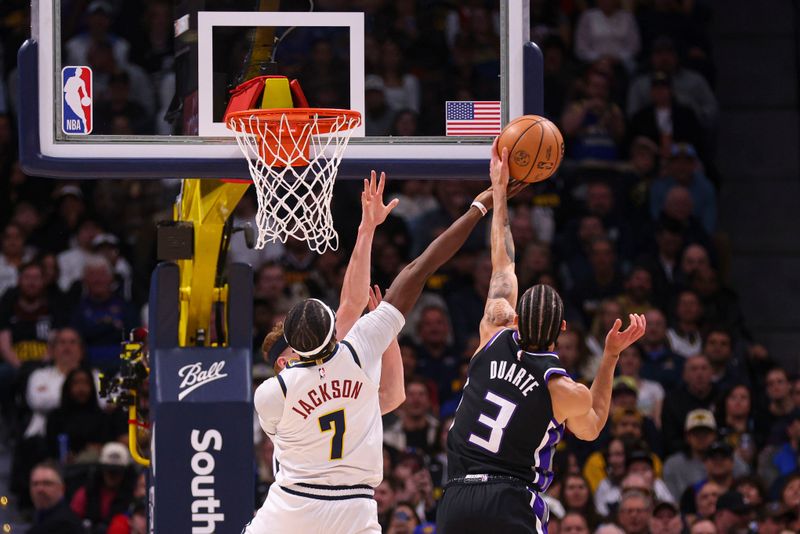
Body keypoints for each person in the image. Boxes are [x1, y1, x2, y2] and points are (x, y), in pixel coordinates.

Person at [246, 160, 517, 534]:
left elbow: (350, 308)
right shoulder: (355, 350)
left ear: (295, 348)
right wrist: (480, 206)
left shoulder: (271, 392)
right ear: (332, 332)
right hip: (354, 506)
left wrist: (367, 229)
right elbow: (417, 269)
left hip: (293, 506)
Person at [436, 141, 646, 533]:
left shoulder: (492, 332)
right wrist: (611, 355)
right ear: (563, 330)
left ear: (515, 320)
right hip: (509, 500)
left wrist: (499, 192)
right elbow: (594, 424)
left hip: (455, 498)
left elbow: (504, 261)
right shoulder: (564, 389)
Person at [28, 460, 83, 534]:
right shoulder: (40, 518)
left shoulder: (66, 525)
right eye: (35, 484)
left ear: (62, 488)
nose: (39, 489)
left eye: (47, 483)